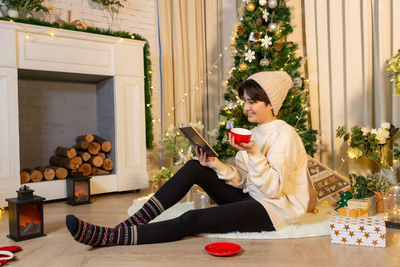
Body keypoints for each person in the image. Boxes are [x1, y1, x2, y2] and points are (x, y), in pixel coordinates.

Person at [65, 71, 310, 247]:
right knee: (195, 166)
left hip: (274, 210)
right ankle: (133, 222)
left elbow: (273, 191)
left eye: (251, 102)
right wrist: (215, 165)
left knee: (192, 219)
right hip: (251, 197)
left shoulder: (284, 134)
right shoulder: (255, 132)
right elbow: (245, 180)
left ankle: (114, 237)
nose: (246, 107)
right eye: (244, 101)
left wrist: (255, 152)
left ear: (270, 103)